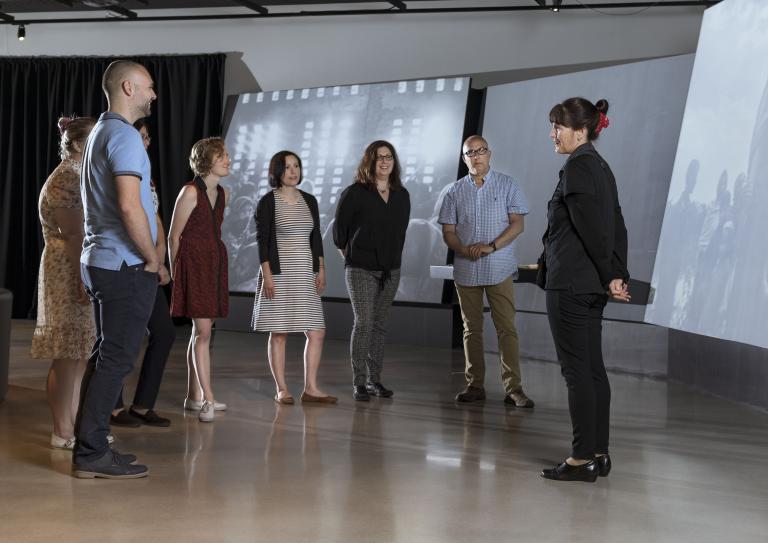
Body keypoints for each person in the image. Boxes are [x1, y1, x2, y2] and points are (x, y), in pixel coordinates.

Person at [74, 60, 160, 479]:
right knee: (115, 360)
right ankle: (91, 453)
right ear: (128, 87)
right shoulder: (123, 136)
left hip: (101, 260)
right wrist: (154, 258)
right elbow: (129, 206)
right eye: (148, 87)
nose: (153, 95)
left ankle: (92, 443)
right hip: (123, 263)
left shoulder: (100, 133)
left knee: (106, 357)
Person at [537, 97, 630, 483]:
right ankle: (599, 452)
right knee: (593, 370)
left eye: (557, 126)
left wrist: (611, 273)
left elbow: (593, 228)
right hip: (590, 284)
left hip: (572, 284)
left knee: (577, 372)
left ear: (580, 131)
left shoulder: (578, 166)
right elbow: (616, 225)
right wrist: (616, 273)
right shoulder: (601, 167)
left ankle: (580, 459)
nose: (552, 134)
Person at [438, 135, 534, 408]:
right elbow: (448, 231)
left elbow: (518, 225)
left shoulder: (507, 184)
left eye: (481, 151)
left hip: (499, 268)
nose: (477, 156)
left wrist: (491, 247)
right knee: (471, 329)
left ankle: (514, 388)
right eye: (471, 153)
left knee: (506, 328)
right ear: (463, 158)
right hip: (466, 269)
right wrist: (463, 248)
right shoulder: (454, 191)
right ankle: (475, 385)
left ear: (489, 154)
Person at [31, 116, 96, 450]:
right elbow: (73, 235)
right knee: (67, 352)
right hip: (66, 268)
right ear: (78, 145)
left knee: (80, 351)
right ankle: (62, 430)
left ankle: (71, 423)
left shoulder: (78, 175)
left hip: (74, 264)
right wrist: (83, 279)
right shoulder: (67, 178)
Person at [252, 151, 336, 405]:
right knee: (280, 332)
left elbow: (315, 237)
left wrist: (320, 268)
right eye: (287, 167)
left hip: (305, 271)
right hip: (278, 272)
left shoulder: (309, 200)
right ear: (277, 171)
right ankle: (282, 389)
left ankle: (311, 388)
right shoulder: (268, 201)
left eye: (296, 166)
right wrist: (267, 275)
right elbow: (263, 241)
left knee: (316, 332)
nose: (293, 171)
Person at [333, 141, 410, 401]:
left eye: (389, 157)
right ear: (370, 161)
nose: (385, 162)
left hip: (391, 269)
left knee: (379, 325)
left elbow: (400, 232)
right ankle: (359, 382)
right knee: (364, 322)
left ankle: (376, 380)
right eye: (379, 158)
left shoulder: (402, 194)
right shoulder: (355, 192)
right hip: (360, 268)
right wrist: (356, 256)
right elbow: (339, 234)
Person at [109, 118, 173, 429]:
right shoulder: (121, 170)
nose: (145, 142)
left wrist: (160, 258)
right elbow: (127, 215)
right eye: (140, 136)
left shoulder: (146, 175)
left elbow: (155, 218)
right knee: (119, 340)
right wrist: (151, 258)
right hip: (127, 265)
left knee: (164, 332)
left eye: (148, 137)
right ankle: (113, 406)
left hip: (149, 265)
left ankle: (143, 404)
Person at [168, 137, 231, 422]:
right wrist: (175, 276)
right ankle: (208, 398)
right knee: (203, 333)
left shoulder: (224, 194)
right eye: (222, 156)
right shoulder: (190, 192)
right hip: (193, 266)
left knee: (202, 332)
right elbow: (173, 236)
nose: (228, 160)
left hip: (213, 264)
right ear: (208, 161)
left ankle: (194, 396)